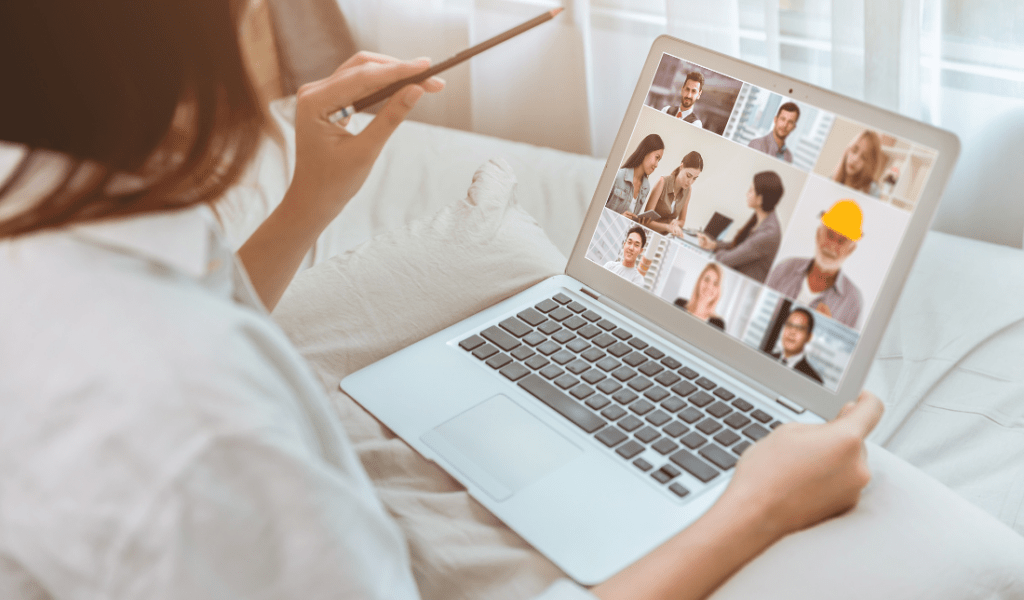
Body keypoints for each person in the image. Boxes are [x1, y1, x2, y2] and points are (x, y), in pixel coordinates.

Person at [0, 3, 884, 599]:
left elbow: (191, 302)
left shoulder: (52, 213)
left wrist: (312, 200)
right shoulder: (208, 429)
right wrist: (758, 505)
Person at [766, 200, 864, 329]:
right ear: (818, 234)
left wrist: (824, 330)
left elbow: (845, 348)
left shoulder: (853, 302)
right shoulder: (784, 269)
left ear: (851, 250)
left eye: (841, 241)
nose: (832, 246)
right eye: (829, 234)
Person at [697, 171, 784, 283]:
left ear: (760, 199)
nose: (747, 194)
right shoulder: (762, 218)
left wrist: (718, 252)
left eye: (751, 191)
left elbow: (726, 259)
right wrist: (713, 245)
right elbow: (740, 246)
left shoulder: (768, 234)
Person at [642, 151, 703, 236]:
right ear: (681, 167)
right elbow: (645, 221)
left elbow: (682, 221)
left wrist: (677, 223)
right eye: (688, 176)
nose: (690, 182)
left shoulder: (688, 190)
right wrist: (667, 227)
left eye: (694, 178)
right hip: (648, 234)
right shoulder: (662, 182)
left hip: (666, 236)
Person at [605, 133, 664, 219]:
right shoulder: (618, 176)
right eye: (656, 157)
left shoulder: (646, 187)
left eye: (659, 160)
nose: (656, 165)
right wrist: (619, 218)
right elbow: (596, 209)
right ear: (646, 151)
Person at [771, 308, 824, 384]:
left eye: (799, 328)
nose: (792, 332)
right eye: (789, 325)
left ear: (808, 337)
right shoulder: (765, 357)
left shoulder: (814, 380)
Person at [673, 262, 727, 330]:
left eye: (715, 284)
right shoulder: (679, 304)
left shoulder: (718, 324)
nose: (709, 287)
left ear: (718, 290)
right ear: (699, 281)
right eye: (706, 280)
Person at [833, 130, 883, 197]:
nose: (855, 159)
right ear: (848, 150)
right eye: (854, 151)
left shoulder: (872, 191)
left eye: (864, 157)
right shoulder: (831, 180)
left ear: (870, 165)